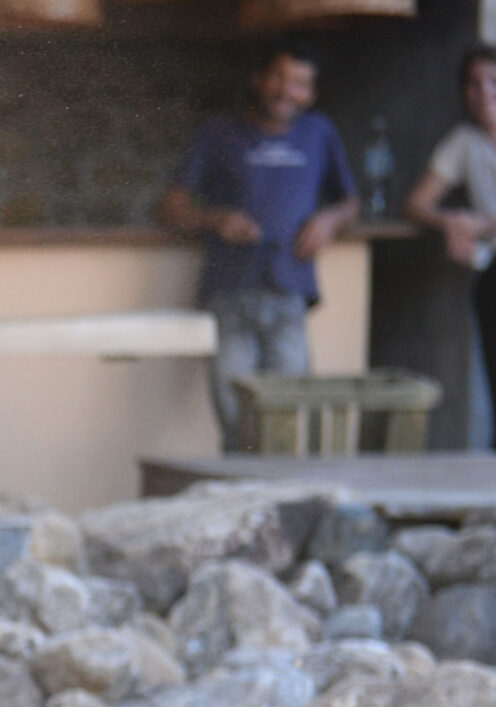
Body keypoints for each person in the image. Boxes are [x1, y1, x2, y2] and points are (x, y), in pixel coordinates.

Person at [158, 42, 360, 451]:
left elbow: (350, 203)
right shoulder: (219, 133)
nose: (287, 91)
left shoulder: (318, 132)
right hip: (230, 297)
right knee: (238, 430)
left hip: (290, 297)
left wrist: (328, 220)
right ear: (258, 79)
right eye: (279, 78)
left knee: (286, 426)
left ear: (312, 93)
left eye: (301, 84)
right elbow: (170, 208)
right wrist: (216, 218)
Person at [404, 47, 496, 439]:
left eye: (493, 82)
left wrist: (482, 225)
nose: (484, 93)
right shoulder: (465, 142)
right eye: (473, 84)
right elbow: (415, 204)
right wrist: (452, 222)